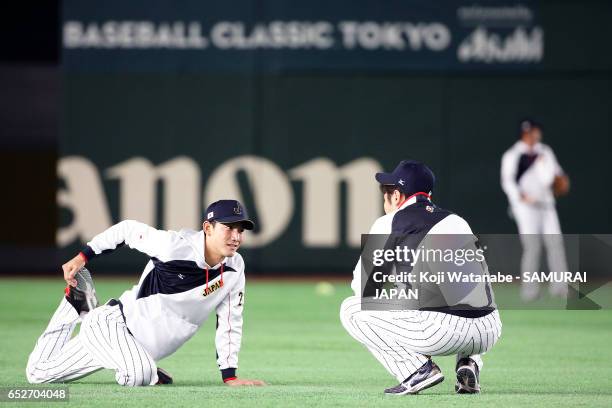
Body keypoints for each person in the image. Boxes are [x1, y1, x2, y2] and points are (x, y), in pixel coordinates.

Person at [26, 199, 266, 387]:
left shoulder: (235, 267)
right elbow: (127, 230)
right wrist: (83, 257)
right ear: (208, 228)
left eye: (240, 230)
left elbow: (230, 321)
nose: (236, 237)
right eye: (229, 228)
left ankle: (74, 304)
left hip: (132, 347)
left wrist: (229, 375)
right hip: (113, 326)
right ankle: (140, 364)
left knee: (38, 374)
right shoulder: (174, 246)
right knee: (139, 374)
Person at [340, 160, 502, 395]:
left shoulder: (389, 223)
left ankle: (416, 370)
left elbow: (363, 289)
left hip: (443, 332)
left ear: (396, 195)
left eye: (386, 192)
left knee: (351, 309)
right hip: (489, 330)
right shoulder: (456, 220)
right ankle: (469, 363)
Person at [501, 119, 569, 301]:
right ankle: (529, 291)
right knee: (532, 246)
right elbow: (507, 181)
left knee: (555, 244)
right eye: (532, 131)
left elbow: (557, 173)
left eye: (536, 131)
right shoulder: (513, 155)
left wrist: (560, 178)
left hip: (546, 204)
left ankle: (560, 288)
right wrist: (520, 197)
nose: (535, 134)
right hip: (525, 207)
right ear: (524, 134)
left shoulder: (545, 151)